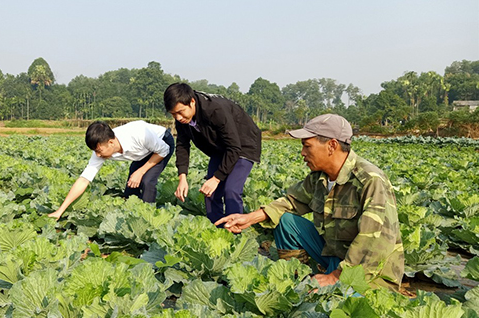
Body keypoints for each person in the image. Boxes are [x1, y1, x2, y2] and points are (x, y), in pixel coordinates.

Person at [216, 114, 404, 290]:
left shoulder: (370, 180)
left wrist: (337, 277)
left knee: (335, 307)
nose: (302, 153)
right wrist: (250, 218)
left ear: (331, 145)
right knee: (287, 222)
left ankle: (326, 281)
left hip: (370, 273)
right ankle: (294, 278)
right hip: (335, 256)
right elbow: (292, 201)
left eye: (307, 146)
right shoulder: (320, 177)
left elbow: (374, 243)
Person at [163, 83, 262, 224]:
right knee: (209, 192)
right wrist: (182, 177)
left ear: (192, 102)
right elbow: (182, 146)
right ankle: (217, 229)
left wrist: (216, 179)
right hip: (219, 148)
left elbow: (234, 147)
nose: (178, 118)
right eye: (173, 114)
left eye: (180, 112)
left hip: (243, 145)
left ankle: (234, 234)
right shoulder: (182, 120)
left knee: (231, 190)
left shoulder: (215, 110)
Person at [48, 120, 174, 220]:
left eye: (99, 151)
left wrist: (140, 171)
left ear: (111, 142)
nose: (97, 155)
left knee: (147, 181)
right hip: (142, 152)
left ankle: (149, 218)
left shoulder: (139, 134)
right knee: (131, 188)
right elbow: (84, 180)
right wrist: (60, 211)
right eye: (94, 151)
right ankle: (133, 218)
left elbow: (164, 150)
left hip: (162, 145)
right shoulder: (100, 148)